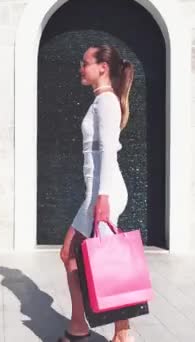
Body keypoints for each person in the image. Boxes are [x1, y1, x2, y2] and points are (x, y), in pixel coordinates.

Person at [58, 44, 135, 342]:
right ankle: (78, 326)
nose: (81, 67)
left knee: (109, 265)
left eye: (85, 62)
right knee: (69, 255)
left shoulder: (107, 102)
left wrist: (102, 197)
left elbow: (108, 153)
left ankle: (123, 334)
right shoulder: (100, 101)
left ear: (102, 67)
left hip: (105, 192)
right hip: (97, 193)